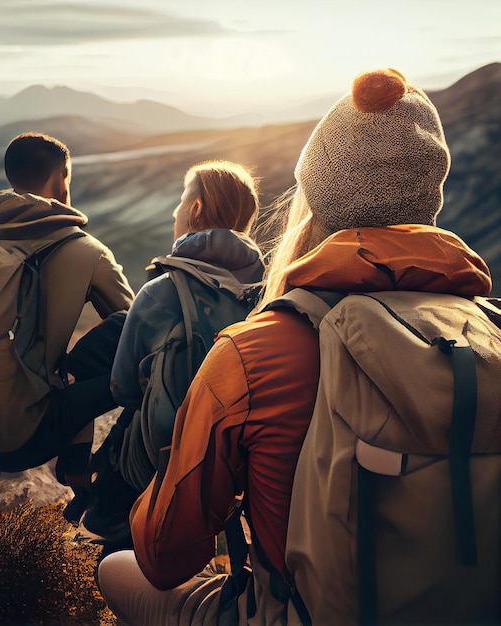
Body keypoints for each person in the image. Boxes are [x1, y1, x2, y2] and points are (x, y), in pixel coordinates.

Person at [96, 69, 495, 624]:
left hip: (300, 613)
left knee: (114, 568)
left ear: (318, 204)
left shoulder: (256, 351)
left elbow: (166, 557)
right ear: (430, 202)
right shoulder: (490, 333)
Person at [0, 132, 135, 515]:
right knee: (137, 356)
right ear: (61, 179)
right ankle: (94, 487)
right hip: (29, 440)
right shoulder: (85, 249)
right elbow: (138, 327)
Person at [81, 160, 265, 546]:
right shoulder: (268, 292)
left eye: (182, 201)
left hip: (161, 460)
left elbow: (123, 389)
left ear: (196, 210)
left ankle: (116, 542)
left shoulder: (160, 292)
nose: (175, 211)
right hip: (236, 461)